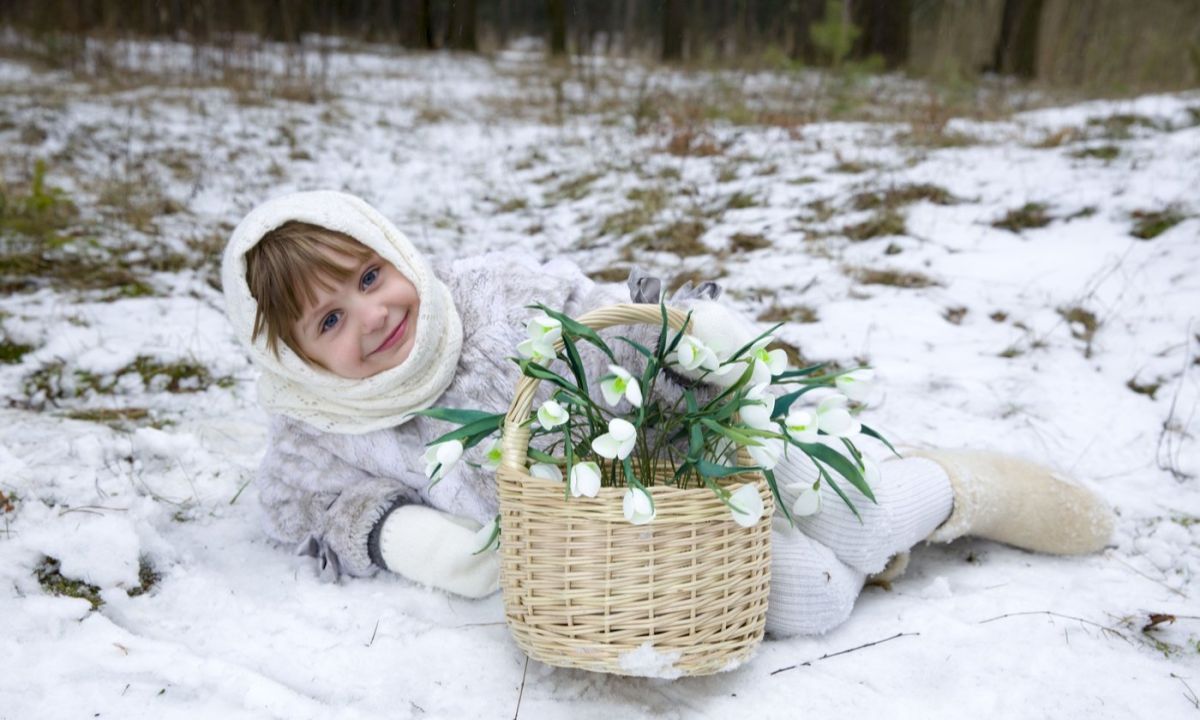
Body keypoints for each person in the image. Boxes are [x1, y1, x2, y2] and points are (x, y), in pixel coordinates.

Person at [221, 190, 1115, 637]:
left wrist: (687, 339)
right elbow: (297, 502)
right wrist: (397, 535)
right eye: (330, 320)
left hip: (682, 451)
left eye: (371, 277)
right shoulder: (321, 426)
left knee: (853, 511)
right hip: (627, 552)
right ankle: (877, 559)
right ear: (293, 359)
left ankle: (959, 486)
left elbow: (615, 316)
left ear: (397, 253)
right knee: (813, 600)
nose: (373, 317)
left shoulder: (492, 295)